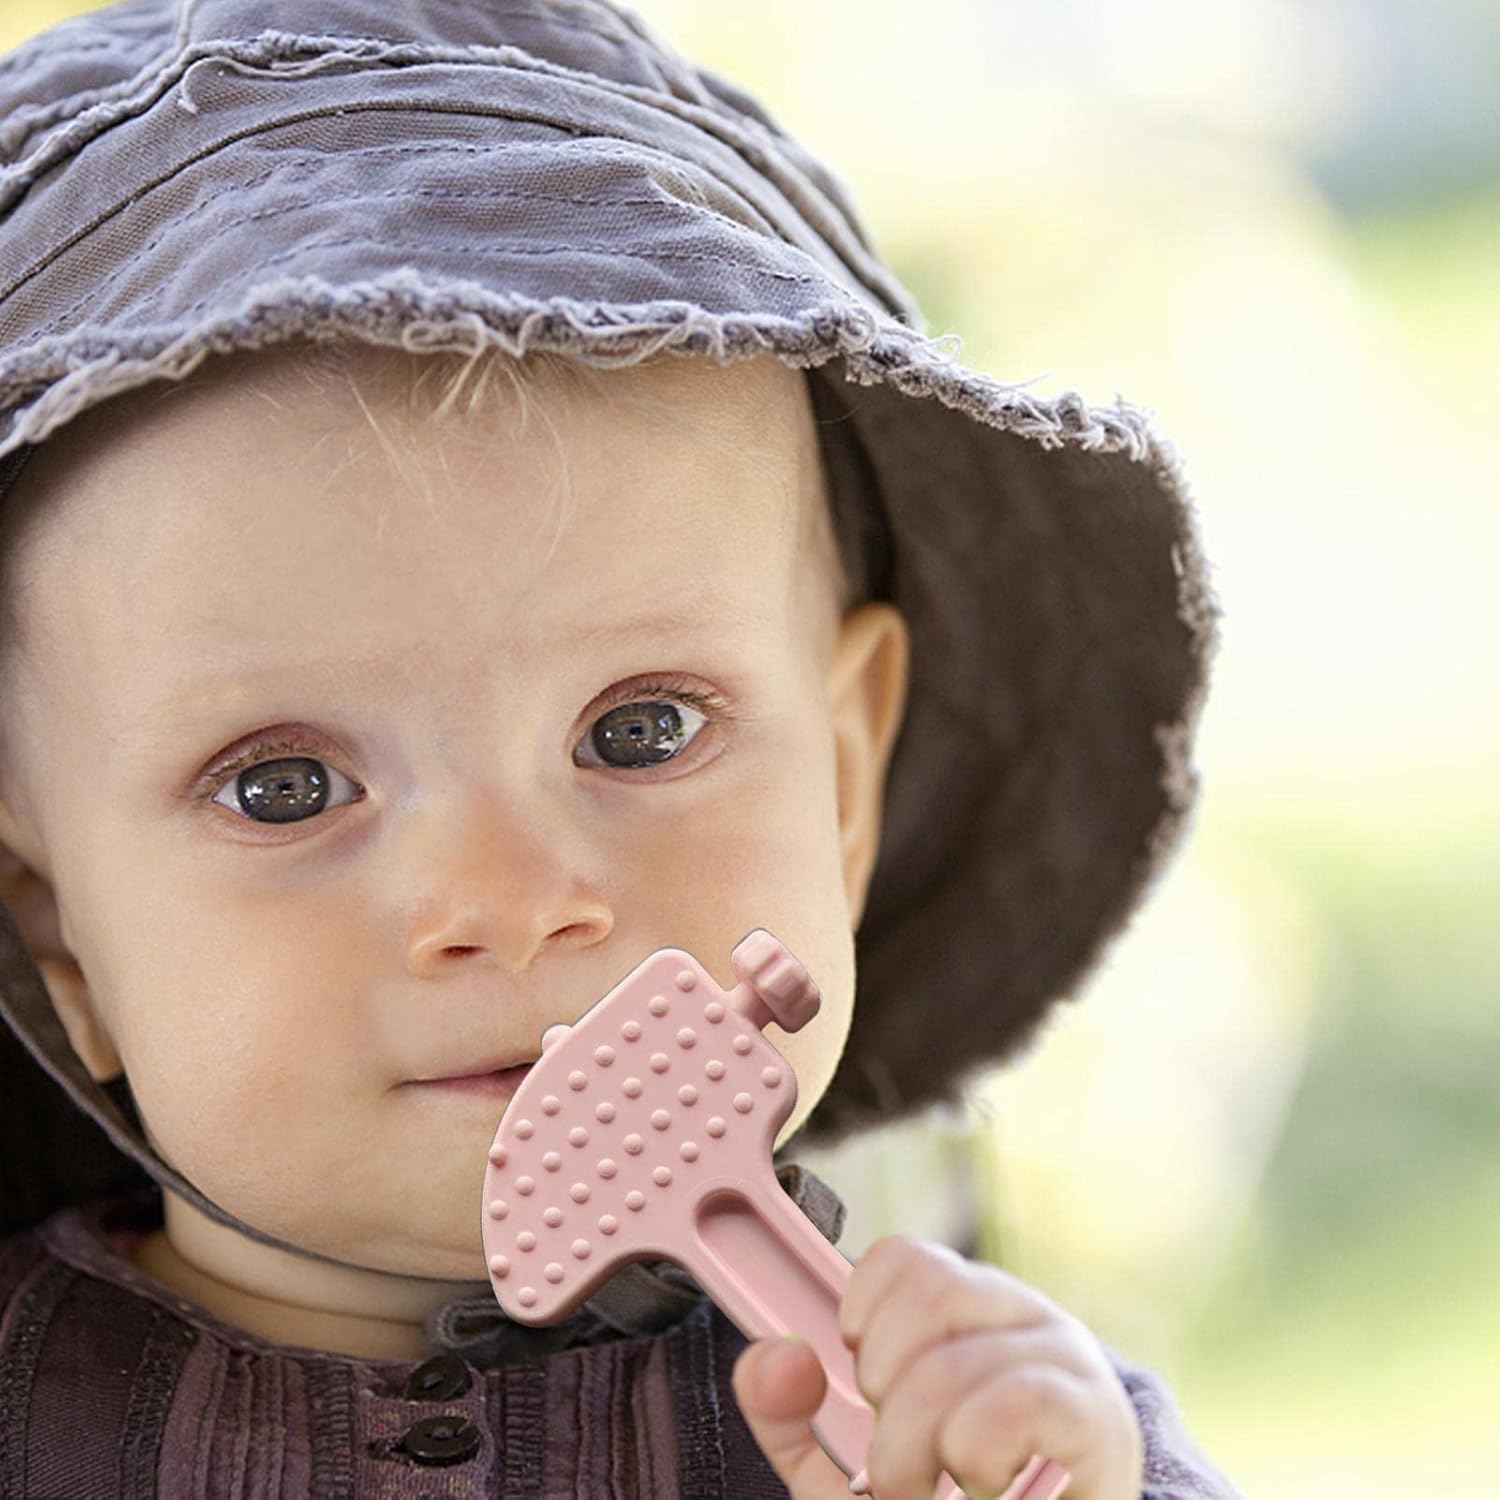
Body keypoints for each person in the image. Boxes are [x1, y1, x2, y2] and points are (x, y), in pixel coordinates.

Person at [0, 1, 1240, 1496]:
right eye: (287, 786)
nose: (510, 899)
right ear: (55, 927)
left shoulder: (943, 1424)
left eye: (639, 731)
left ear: (843, 782)